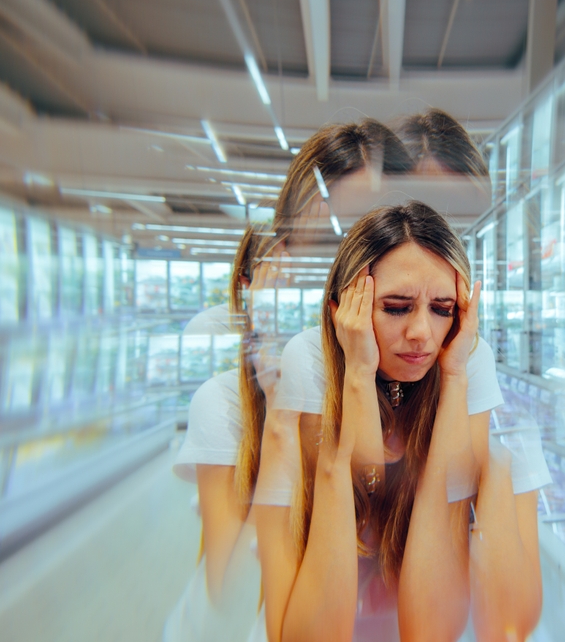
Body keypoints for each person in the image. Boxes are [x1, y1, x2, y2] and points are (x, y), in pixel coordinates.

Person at [255, 201, 548, 641]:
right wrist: (357, 375)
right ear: (343, 310)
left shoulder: (463, 358)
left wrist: (454, 378)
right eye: (396, 307)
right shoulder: (312, 359)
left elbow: (429, 632)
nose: (422, 334)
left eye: (442, 309)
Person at [168, 120, 413, 639]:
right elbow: (227, 595)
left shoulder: (411, 387)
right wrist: (281, 400)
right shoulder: (227, 402)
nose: (348, 273)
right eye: (324, 243)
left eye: (372, 239)